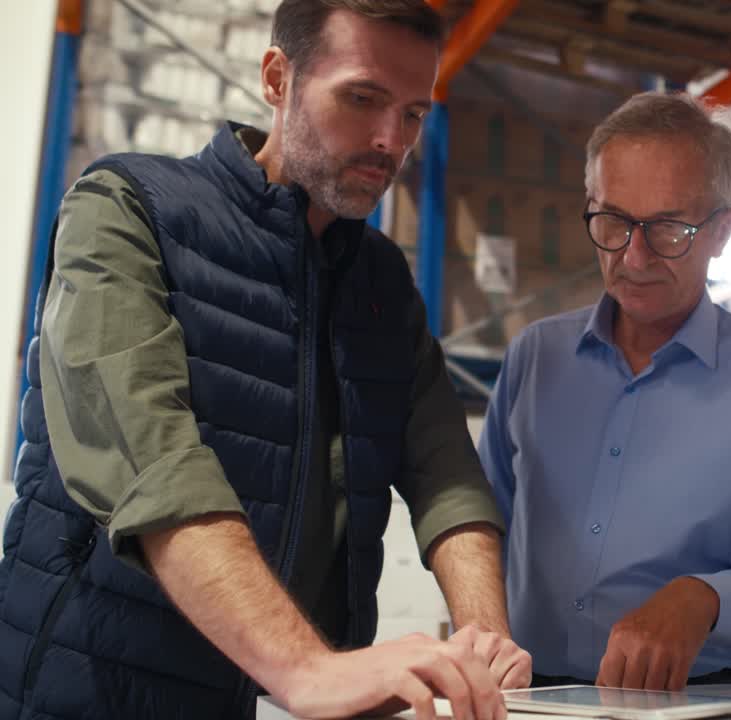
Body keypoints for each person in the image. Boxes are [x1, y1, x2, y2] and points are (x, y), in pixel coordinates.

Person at [0, 1, 530, 718]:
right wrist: (306, 670)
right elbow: (151, 462)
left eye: (412, 114)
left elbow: (447, 476)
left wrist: (486, 639)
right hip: (96, 690)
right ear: (277, 78)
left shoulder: (381, 281)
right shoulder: (127, 208)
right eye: (362, 98)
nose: (389, 139)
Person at [477, 92, 731, 691]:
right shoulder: (535, 358)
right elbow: (483, 525)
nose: (633, 258)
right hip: (532, 699)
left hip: (694, 701)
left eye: (668, 228)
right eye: (613, 222)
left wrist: (704, 600)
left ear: (722, 230)